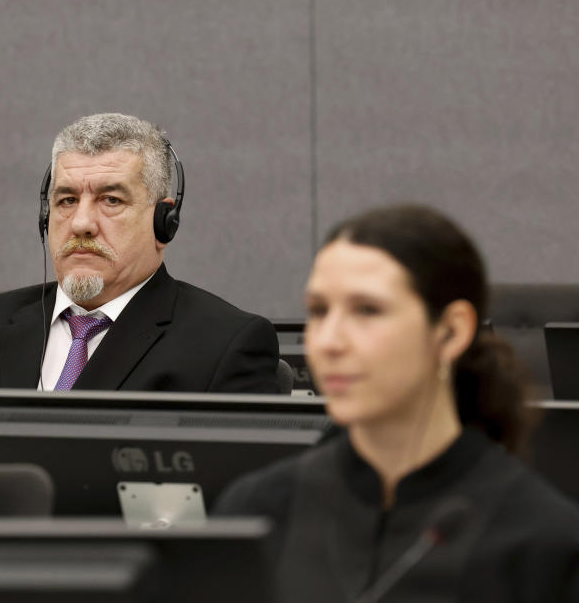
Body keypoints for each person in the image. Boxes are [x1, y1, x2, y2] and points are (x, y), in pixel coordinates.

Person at [214, 205, 579, 602]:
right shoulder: (258, 509)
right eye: (319, 311)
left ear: (451, 332)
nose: (329, 341)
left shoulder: (546, 543)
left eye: (367, 311)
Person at [0, 113, 281, 393]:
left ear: (164, 221)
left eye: (111, 200)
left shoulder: (223, 347)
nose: (81, 223)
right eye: (66, 200)